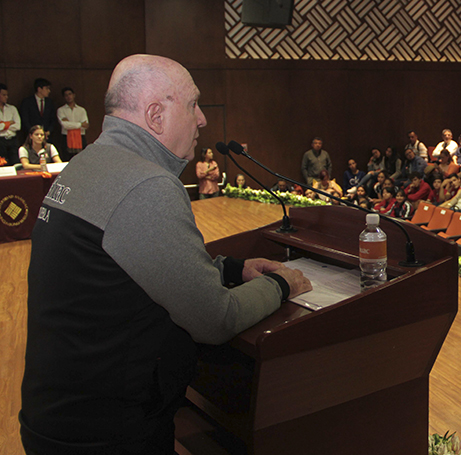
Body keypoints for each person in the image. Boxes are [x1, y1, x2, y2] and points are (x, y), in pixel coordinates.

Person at [19, 54, 312, 454]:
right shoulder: (145, 184)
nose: (203, 119)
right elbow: (215, 319)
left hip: (62, 421)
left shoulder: (87, 164)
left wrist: (230, 268)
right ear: (156, 115)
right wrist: (282, 283)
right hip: (108, 436)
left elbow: (132, 269)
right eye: (193, 104)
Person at [57, 87, 89, 158]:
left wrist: (70, 124)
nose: (68, 96)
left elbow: (86, 125)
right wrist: (80, 124)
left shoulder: (81, 110)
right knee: (67, 159)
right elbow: (65, 125)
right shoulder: (61, 110)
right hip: (67, 137)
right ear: (64, 97)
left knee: (81, 159)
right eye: (66, 95)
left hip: (80, 137)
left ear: (74, 95)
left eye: (70, 94)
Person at [19, 78, 56, 142]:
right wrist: (33, 132)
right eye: (47, 88)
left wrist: (49, 131)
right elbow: (25, 120)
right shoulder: (27, 102)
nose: (49, 91)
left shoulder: (50, 102)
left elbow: (53, 119)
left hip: (46, 136)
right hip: (31, 137)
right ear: (39, 89)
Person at [0, 83, 20, 165]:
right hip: (0, 140)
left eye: (7, 95)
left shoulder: (12, 109)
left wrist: (3, 124)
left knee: (15, 163)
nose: (6, 97)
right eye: (4, 95)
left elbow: (18, 126)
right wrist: (9, 123)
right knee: (2, 164)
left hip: (12, 140)